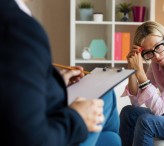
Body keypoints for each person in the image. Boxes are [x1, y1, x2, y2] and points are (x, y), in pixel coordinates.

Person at [0, 0, 121, 146]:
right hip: (56, 132)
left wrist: (56, 82)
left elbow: (13, 87)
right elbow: (30, 139)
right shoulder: (18, 28)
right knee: (106, 96)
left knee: (110, 138)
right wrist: (78, 118)